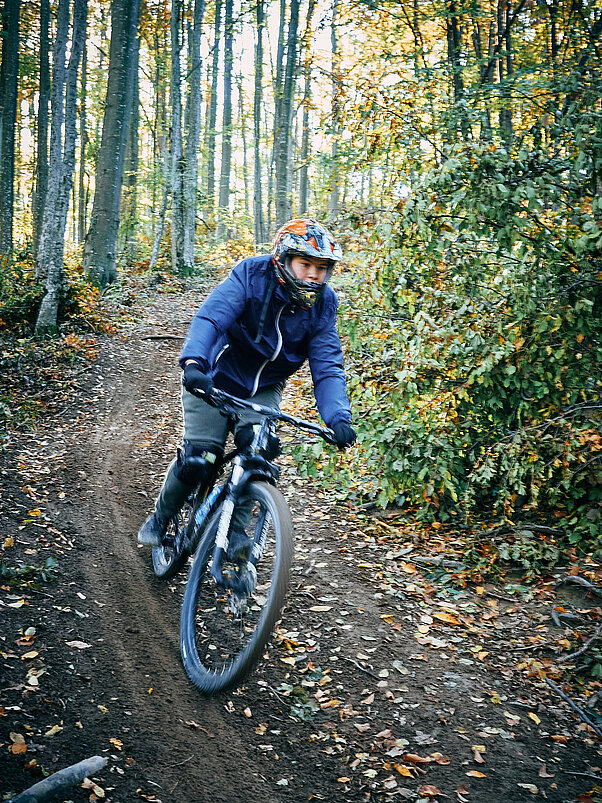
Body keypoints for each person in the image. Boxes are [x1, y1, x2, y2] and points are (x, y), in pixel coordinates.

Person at [138, 218, 356, 548]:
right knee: (200, 458)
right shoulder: (251, 275)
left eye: (322, 267)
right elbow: (212, 318)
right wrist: (194, 363)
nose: (314, 274)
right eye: (306, 264)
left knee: (257, 455)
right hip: (213, 376)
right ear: (283, 260)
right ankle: (161, 516)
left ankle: (236, 534)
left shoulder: (323, 304)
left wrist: (338, 417)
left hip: (263, 388)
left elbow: (327, 365)